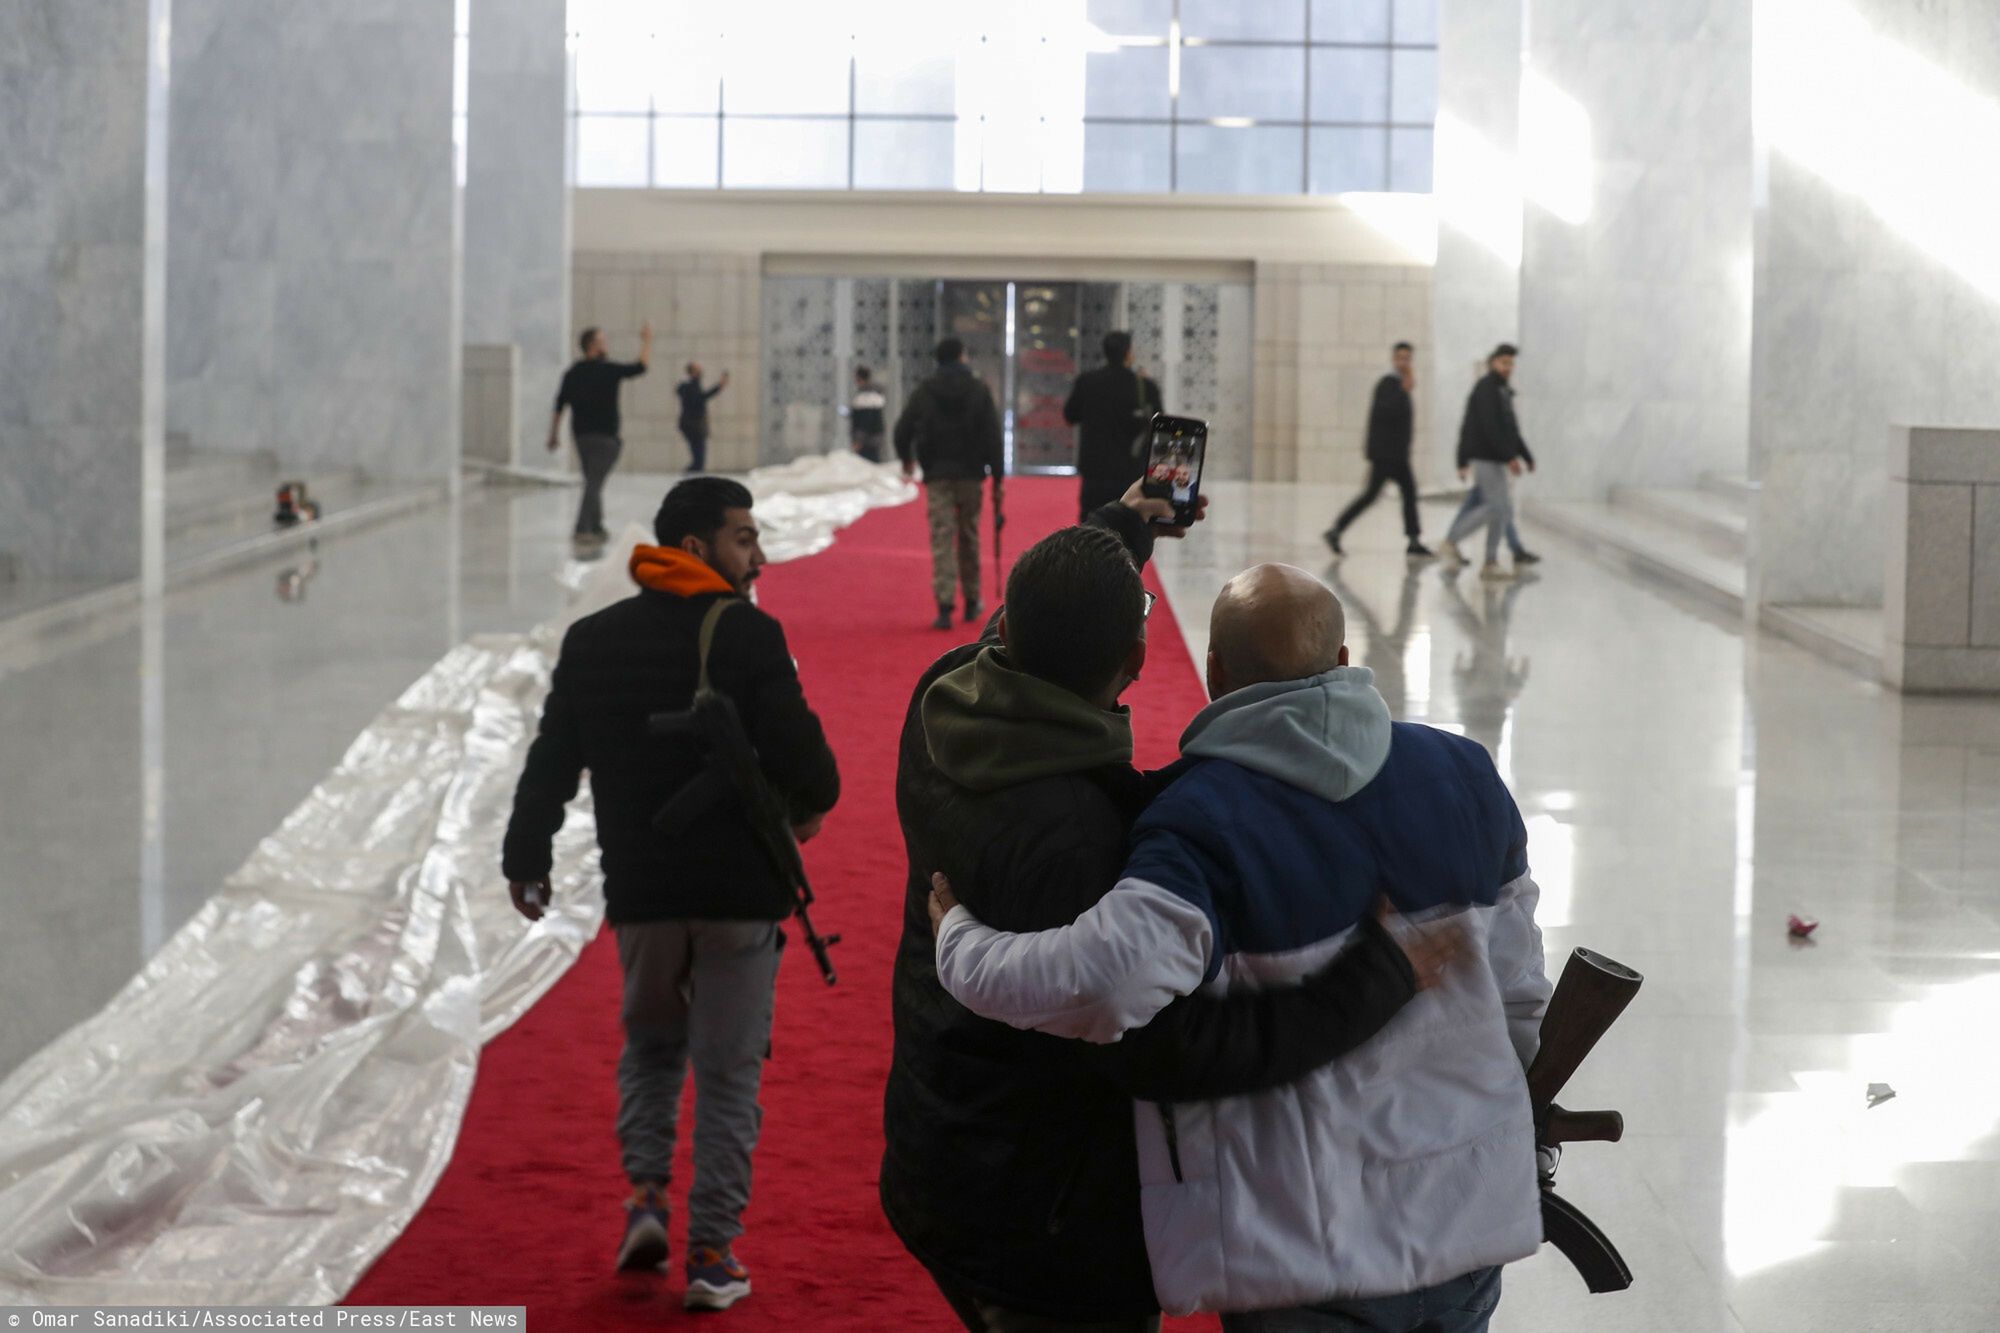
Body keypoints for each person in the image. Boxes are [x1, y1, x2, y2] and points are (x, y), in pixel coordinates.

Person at [885, 495, 1456, 1333]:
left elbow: (1023, 624)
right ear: (1140, 656)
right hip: (1042, 1221)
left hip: (941, 1142)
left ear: (1005, 630)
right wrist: (1374, 980)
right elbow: (1169, 1047)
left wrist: (1119, 532)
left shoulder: (941, 700)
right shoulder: (1090, 841)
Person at [501, 476, 839, 1314]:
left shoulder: (592, 639)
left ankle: (647, 1200)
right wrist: (801, 808)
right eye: (743, 538)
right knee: (728, 1072)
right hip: (740, 896)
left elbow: (552, 761)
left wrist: (526, 855)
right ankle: (714, 1254)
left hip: (642, 894)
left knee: (652, 1050)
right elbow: (814, 769)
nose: (758, 556)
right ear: (696, 546)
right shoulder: (751, 635)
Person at [894, 337, 1005, 631]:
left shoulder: (925, 390)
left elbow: (902, 430)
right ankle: (972, 599)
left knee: (942, 537)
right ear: (961, 356)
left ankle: (944, 605)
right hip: (970, 474)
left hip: (938, 474)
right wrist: (998, 477)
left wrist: (907, 459)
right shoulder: (978, 389)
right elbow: (993, 436)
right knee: (969, 535)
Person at [1325, 342, 1434, 559]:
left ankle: (1413, 539)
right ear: (1394, 360)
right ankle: (1336, 530)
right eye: (1400, 358)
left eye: (1407, 358)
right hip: (1386, 455)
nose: (1404, 362)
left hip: (1397, 454)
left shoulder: (1399, 384)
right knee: (1371, 495)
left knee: (1408, 493)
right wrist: (1403, 391)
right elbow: (1385, 413)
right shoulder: (1388, 383)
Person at [551, 322, 651, 552]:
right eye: (602, 341)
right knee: (594, 484)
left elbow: (559, 405)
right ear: (592, 345)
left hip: (582, 437)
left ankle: (596, 527)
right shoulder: (607, 369)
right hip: (605, 438)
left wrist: (554, 434)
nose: (606, 344)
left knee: (593, 482)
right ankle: (583, 528)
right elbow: (640, 367)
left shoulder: (573, 373)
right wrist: (647, 341)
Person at [1442, 344, 1536, 580]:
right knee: (1496, 508)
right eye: (1504, 362)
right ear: (1493, 362)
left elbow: (1511, 429)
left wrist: (1525, 455)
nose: (1508, 367)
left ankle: (1490, 561)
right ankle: (1454, 543)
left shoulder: (1502, 390)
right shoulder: (1487, 388)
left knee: (1500, 508)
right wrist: (1509, 457)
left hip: (1494, 458)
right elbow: (1489, 427)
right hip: (1486, 458)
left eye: (1511, 363)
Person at [1065, 330, 1164, 522]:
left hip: (1094, 473)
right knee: (1128, 524)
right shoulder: (1144, 386)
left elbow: (1070, 415)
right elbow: (1159, 426)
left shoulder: (1086, 382)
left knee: (1091, 525)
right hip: (1130, 473)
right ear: (1128, 353)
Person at [676, 362, 730, 474]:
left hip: (693, 425)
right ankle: (691, 477)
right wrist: (718, 387)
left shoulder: (691, 384)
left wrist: (719, 386)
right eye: (698, 369)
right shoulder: (689, 385)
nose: (701, 372)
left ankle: (692, 476)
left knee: (698, 459)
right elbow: (699, 398)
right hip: (692, 425)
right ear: (692, 372)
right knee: (698, 460)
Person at [850, 366, 888, 463]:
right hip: (874, 438)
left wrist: (859, 440)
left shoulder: (866, 396)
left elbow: (865, 421)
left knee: (866, 465)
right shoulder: (873, 394)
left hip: (868, 440)